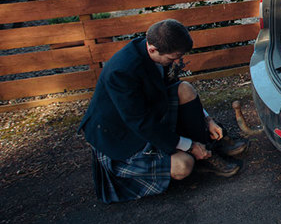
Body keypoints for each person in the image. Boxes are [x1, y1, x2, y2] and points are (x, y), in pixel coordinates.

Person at [79, 19, 247, 203]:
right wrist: (188, 146)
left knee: (185, 89)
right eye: (173, 58)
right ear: (152, 49)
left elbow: (169, 86)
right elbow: (141, 124)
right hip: (119, 137)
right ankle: (195, 155)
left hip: (146, 113)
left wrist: (207, 120)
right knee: (184, 165)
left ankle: (206, 149)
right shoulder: (121, 72)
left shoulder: (157, 50)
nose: (177, 61)